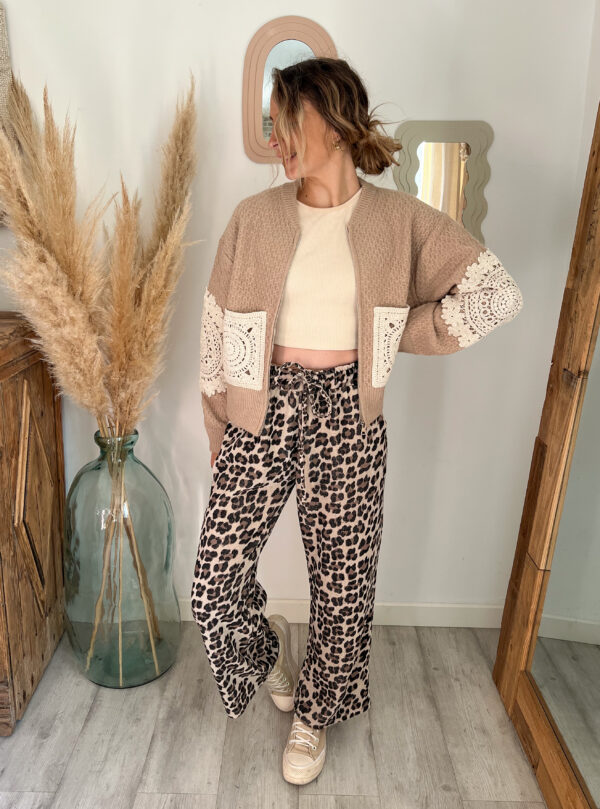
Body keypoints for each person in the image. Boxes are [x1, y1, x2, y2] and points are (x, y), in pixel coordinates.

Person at [191, 57, 523, 786]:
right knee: (214, 582)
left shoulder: (399, 221)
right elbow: (216, 327)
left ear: (335, 123)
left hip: (348, 413)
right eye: (272, 124)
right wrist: (221, 427)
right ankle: (269, 650)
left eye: (288, 121)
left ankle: (315, 714)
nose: (275, 138)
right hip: (262, 408)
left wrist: (401, 332)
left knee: (343, 585)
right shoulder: (254, 218)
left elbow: (496, 293)